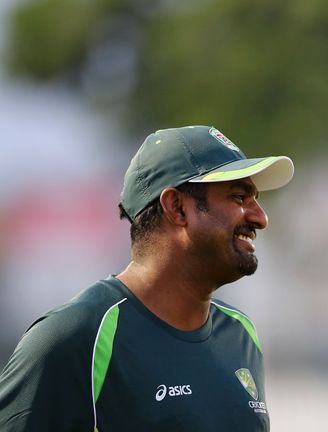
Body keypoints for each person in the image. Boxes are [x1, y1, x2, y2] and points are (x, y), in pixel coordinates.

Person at [0, 125, 294, 431]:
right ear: (177, 207)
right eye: (238, 197)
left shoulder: (240, 333)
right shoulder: (75, 337)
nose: (260, 217)